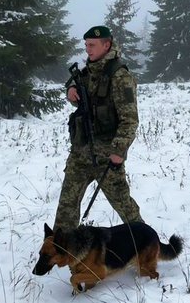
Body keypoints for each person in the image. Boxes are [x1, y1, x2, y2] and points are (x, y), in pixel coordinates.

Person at [52, 25, 144, 231]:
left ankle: (144, 243)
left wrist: (118, 151)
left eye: (92, 45)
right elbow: (83, 100)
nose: (88, 49)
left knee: (124, 205)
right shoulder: (88, 72)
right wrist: (71, 89)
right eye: (86, 45)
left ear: (106, 45)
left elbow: (130, 120)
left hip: (107, 155)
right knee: (67, 205)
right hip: (81, 152)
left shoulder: (120, 76)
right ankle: (60, 245)